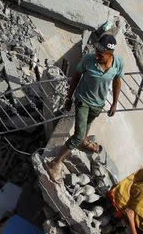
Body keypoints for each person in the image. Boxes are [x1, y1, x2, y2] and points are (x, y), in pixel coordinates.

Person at [47, 33, 124, 182]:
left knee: (87, 127)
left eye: (100, 54)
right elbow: (76, 76)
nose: (96, 56)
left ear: (110, 55)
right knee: (77, 135)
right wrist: (69, 98)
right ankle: (54, 163)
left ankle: (83, 142)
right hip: (82, 101)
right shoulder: (88, 60)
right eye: (96, 52)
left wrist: (114, 103)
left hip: (98, 104)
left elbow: (117, 81)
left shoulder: (118, 63)